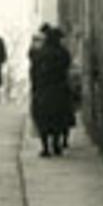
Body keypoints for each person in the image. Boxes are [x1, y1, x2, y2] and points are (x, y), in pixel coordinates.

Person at [29, 24, 75, 158]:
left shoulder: (40, 53)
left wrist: (35, 86)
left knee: (43, 118)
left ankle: (45, 147)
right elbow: (66, 67)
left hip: (43, 90)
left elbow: (34, 71)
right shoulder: (63, 53)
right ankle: (56, 144)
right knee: (58, 118)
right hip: (59, 89)